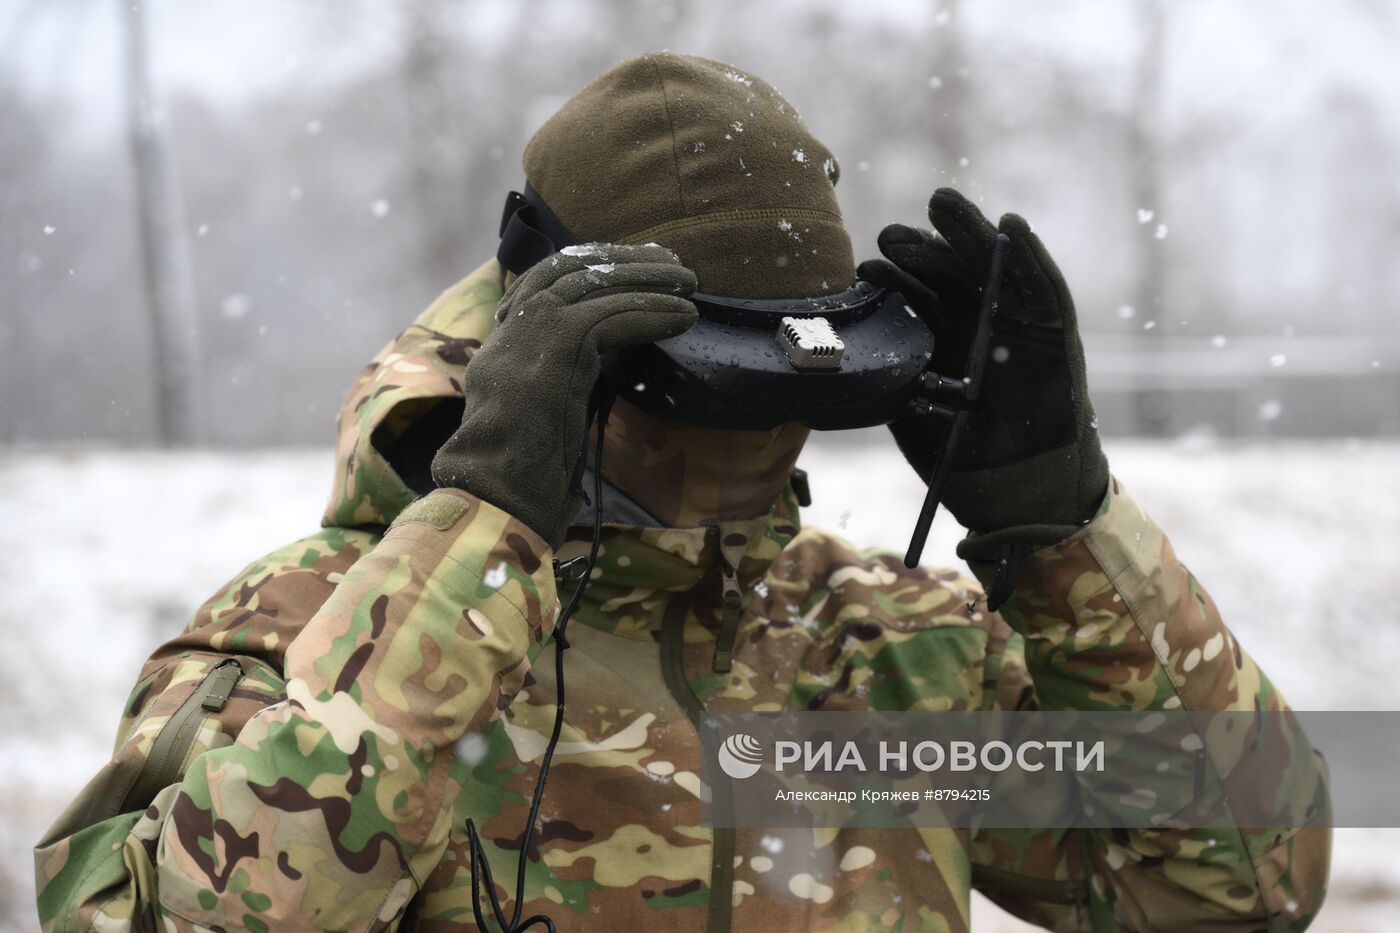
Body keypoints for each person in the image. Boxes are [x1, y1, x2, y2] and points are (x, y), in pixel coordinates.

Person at [36, 52, 1329, 932]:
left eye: (797, 378)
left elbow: (1250, 879)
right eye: (710, 379)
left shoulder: (883, 656)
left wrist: (1059, 520)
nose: (755, 434)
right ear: (558, 347)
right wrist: (471, 547)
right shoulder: (312, 629)